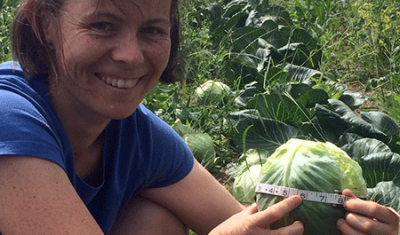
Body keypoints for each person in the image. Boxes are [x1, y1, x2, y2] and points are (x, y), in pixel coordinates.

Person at [0, 0, 397, 234]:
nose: (130, 55)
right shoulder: (9, 117)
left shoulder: (135, 134)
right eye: (103, 25)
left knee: (152, 220)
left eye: (152, 31)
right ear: (45, 24)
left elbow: (251, 223)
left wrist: (365, 226)